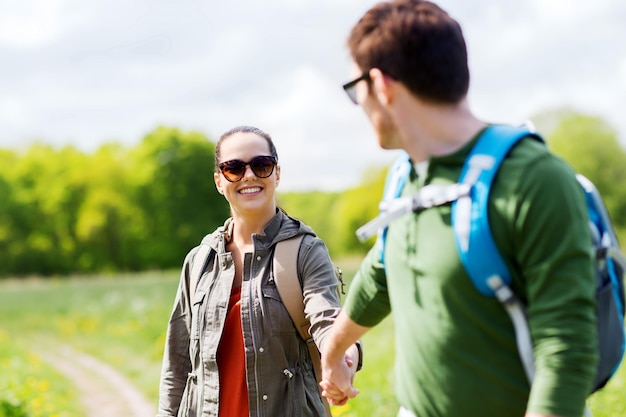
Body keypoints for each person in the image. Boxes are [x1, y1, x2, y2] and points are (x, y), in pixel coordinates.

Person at [320, 1, 598, 417]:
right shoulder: (404, 177)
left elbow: (566, 350)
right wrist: (334, 351)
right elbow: (380, 274)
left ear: (381, 86)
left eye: (354, 89)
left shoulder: (534, 179)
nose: (358, 104)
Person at [156, 125, 360, 417]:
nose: (249, 175)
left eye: (261, 165)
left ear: (277, 173)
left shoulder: (305, 251)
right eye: (234, 168)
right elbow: (177, 364)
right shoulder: (199, 260)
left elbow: (328, 321)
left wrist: (343, 358)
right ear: (219, 180)